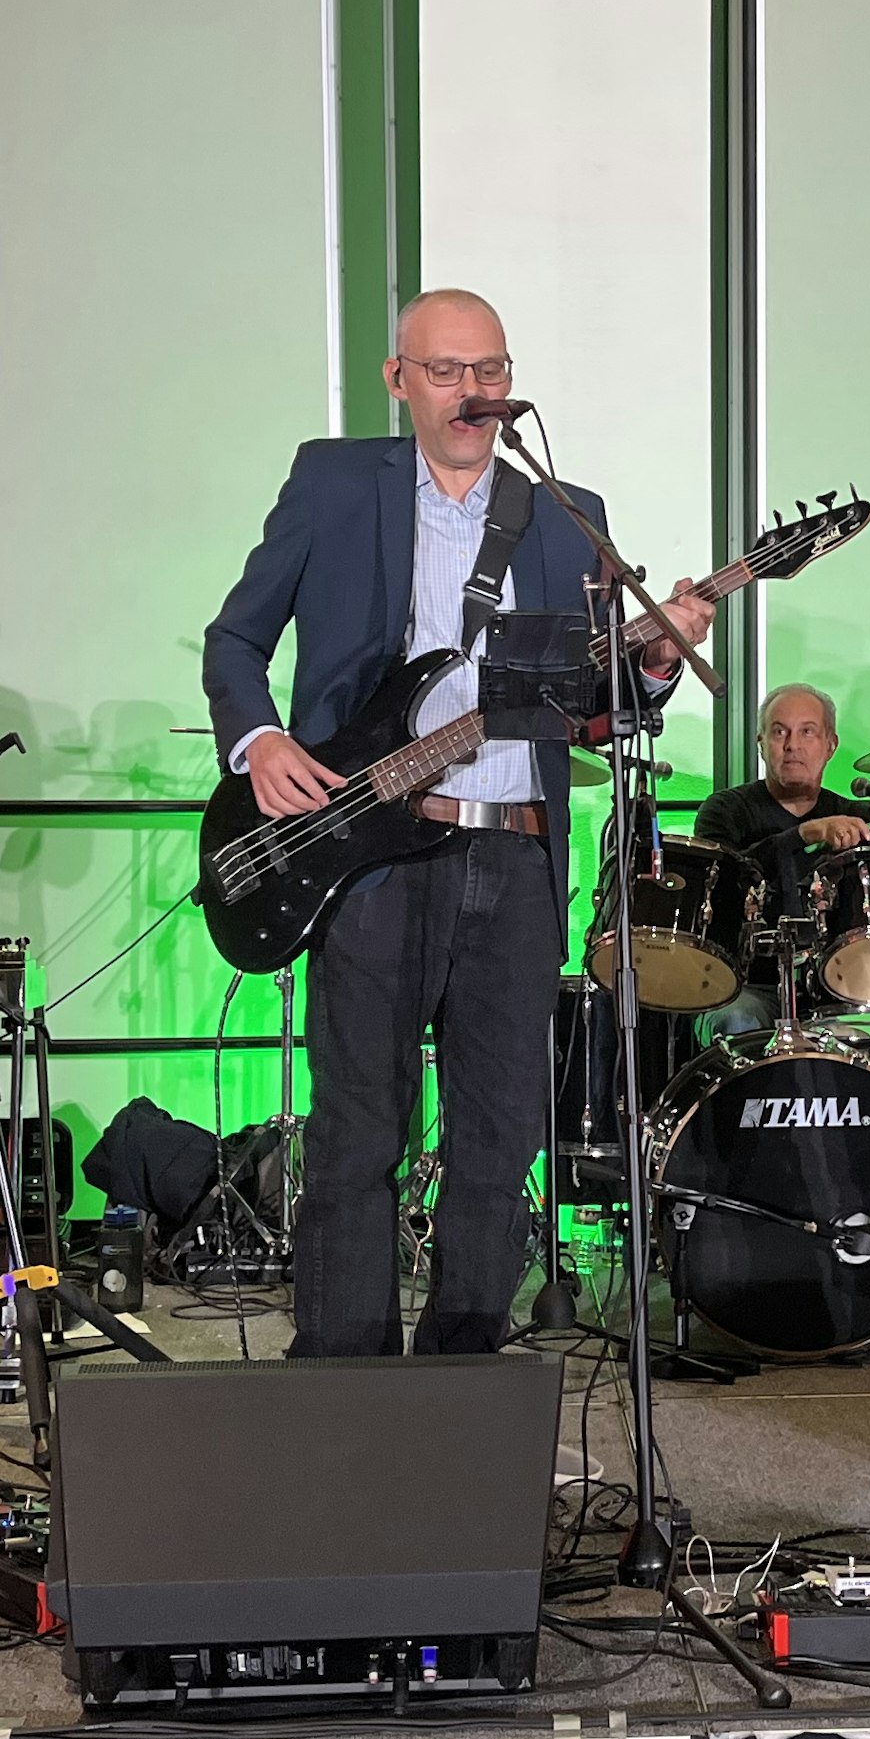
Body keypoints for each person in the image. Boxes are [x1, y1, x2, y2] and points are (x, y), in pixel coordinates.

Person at [206, 290, 709, 1355]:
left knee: (497, 1132)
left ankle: (465, 1370)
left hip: (515, 849)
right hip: (371, 851)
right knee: (360, 1128)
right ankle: (343, 1377)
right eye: (447, 372)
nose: (474, 392)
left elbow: (594, 706)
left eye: (490, 370)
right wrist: (262, 743)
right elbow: (235, 642)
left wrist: (654, 663)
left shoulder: (568, 514)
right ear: (399, 381)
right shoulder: (335, 484)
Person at [689, 683, 870, 1124]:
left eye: (807, 732)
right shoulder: (726, 810)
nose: (792, 745)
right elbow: (726, 887)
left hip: (848, 992)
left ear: (830, 744)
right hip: (752, 987)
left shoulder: (867, 818)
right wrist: (805, 835)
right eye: (779, 733)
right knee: (735, 1019)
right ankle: (744, 1168)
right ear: (761, 743)